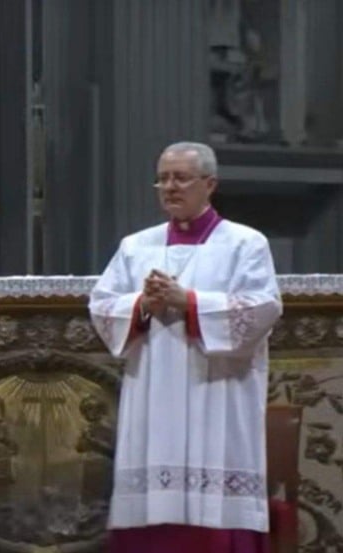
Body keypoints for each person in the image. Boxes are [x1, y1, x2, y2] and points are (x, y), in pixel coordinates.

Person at [89, 141, 282, 553]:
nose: (169, 187)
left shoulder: (245, 244)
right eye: (162, 178)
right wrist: (144, 305)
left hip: (218, 392)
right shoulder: (136, 246)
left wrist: (189, 303)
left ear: (209, 184)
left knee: (213, 503)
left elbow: (262, 308)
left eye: (181, 178)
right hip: (153, 389)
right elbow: (103, 307)